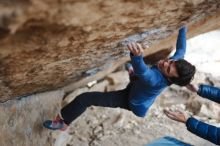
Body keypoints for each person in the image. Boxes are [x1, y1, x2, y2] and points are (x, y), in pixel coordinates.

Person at [43, 27, 196, 131]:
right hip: (138, 87)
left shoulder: (155, 80)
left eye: (168, 68)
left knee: (85, 98)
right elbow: (181, 49)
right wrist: (184, 26)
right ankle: (131, 74)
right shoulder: (175, 64)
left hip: (131, 101)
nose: (165, 62)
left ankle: (63, 123)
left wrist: (138, 57)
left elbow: (144, 72)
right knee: (135, 78)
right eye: (171, 61)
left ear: (170, 79)